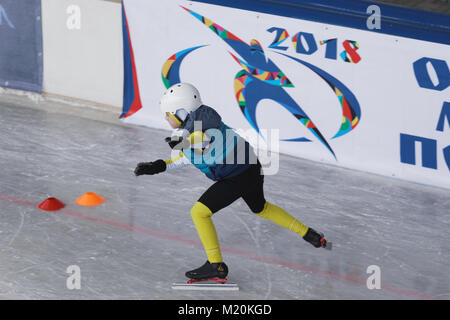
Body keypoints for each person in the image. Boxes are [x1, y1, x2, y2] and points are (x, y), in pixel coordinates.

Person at [134, 83, 330, 282]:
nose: (165, 118)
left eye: (168, 114)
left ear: (182, 112)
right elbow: (187, 156)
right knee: (261, 208)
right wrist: (159, 166)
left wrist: (184, 142)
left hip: (236, 176)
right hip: (251, 167)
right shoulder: (195, 124)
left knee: (199, 212)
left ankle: (216, 265)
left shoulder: (202, 125)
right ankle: (309, 234)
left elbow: (202, 140)